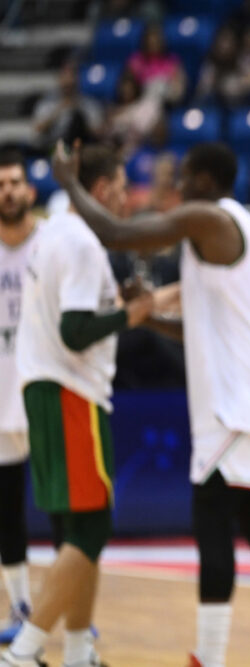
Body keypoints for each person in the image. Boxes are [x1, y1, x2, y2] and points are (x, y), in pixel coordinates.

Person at [50, 141, 250, 667]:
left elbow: (117, 233)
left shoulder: (209, 218)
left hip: (242, 397)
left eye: (185, 176)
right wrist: (147, 316)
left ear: (206, 180)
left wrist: (69, 182)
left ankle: (208, 657)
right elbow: (202, 331)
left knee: (211, 514)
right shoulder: (226, 230)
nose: (178, 186)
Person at [0, 145, 152, 667]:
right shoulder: (81, 242)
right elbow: (75, 330)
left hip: (43, 390)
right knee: (90, 529)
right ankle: (23, 653)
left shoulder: (52, 234)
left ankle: (79, 650)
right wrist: (131, 315)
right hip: (70, 393)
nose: (126, 199)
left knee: (78, 530)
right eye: (122, 187)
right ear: (103, 189)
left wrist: (132, 304)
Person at [0, 152, 38, 646]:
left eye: (14, 182)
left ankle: (70, 609)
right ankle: (21, 604)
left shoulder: (50, 244)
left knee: (65, 511)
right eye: (0, 184)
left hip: (45, 393)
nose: (7, 191)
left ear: (29, 189)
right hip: (1, 398)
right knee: (7, 511)